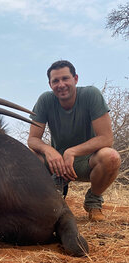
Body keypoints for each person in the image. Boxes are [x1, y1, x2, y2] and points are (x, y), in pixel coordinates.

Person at [27, 60, 121, 221]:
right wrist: (49, 151)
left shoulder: (91, 95)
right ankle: (48, 197)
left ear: (75, 79)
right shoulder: (45, 100)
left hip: (87, 162)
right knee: (28, 156)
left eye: (65, 78)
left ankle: (93, 201)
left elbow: (107, 138)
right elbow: (33, 139)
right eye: (55, 81)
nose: (61, 84)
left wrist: (72, 151)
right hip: (56, 162)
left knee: (111, 157)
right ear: (50, 84)